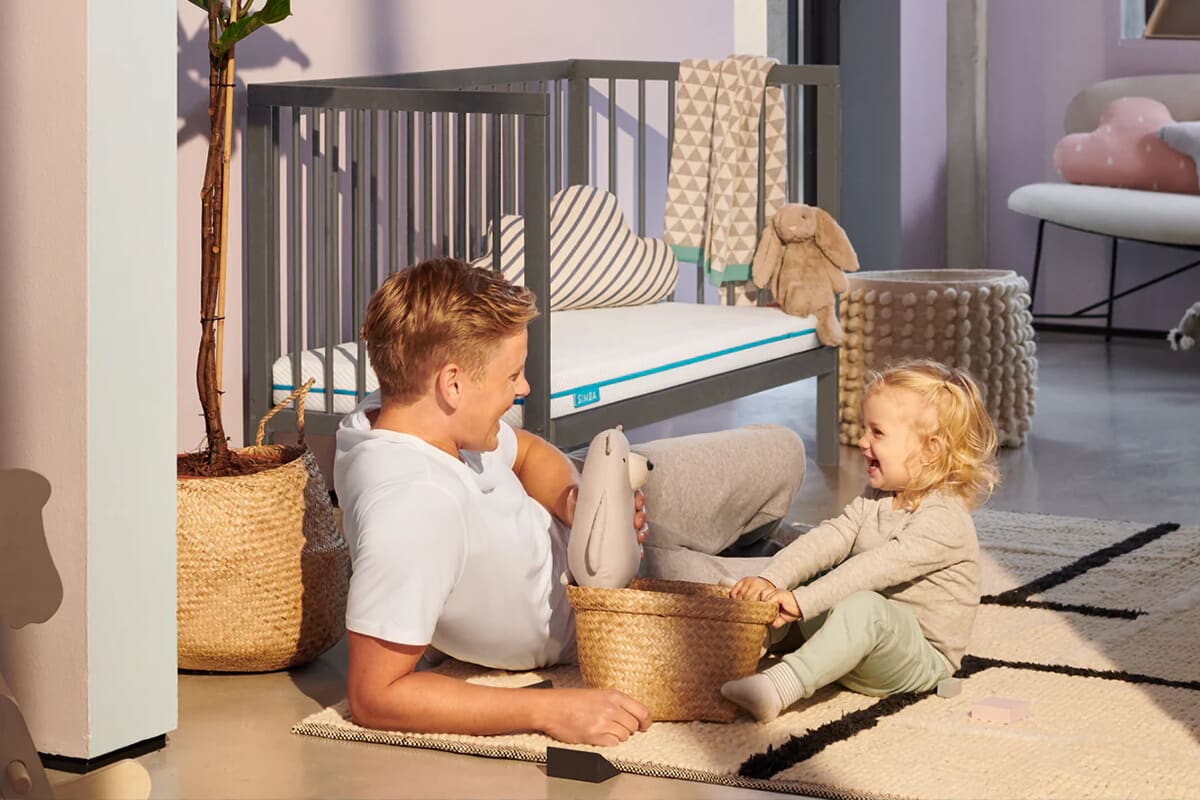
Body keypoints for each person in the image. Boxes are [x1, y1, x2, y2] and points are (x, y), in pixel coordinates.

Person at [334, 258, 806, 746]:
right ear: (452, 383)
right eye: (512, 375)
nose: (524, 389)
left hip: (587, 511)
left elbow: (528, 453)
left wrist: (576, 500)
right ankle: (761, 549)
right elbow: (376, 694)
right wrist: (548, 708)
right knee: (803, 599)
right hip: (606, 600)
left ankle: (754, 540)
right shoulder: (413, 509)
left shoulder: (403, 411)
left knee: (783, 454)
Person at [720, 360, 1000, 722]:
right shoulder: (878, 497)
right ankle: (750, 637)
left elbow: (872, 570)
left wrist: (802, 601)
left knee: (860, 603)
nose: (861, 441)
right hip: (857, 641)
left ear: (930, 450)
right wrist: (774, 581)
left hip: (916, 659)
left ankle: (779, 687)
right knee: (818, 570)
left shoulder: (945, 520)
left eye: (877, 433)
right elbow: (830, 537)